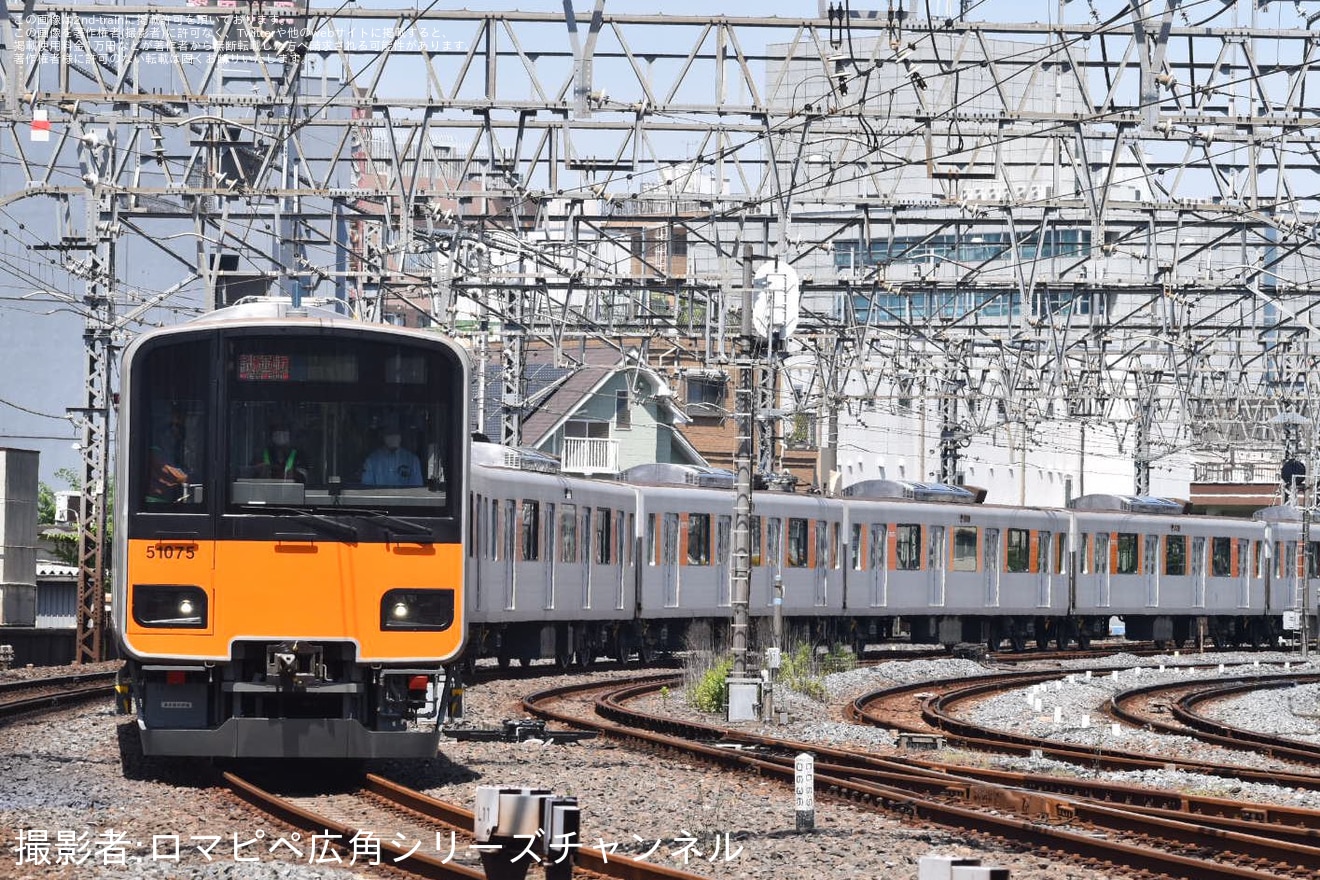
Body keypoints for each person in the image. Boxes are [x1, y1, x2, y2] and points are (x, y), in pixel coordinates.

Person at [361, 416, 423, 487]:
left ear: (401, 436)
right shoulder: (371, 460)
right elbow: (367, 488)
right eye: (389, 433)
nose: (393, 437)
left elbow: (417, 488)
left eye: (396, 433)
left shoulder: (413, 460)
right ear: (383, 435)